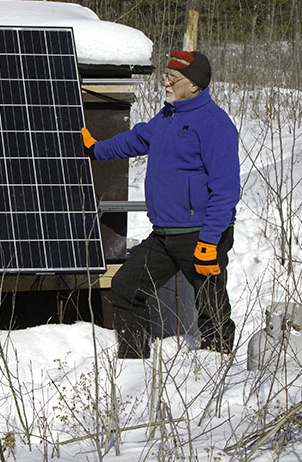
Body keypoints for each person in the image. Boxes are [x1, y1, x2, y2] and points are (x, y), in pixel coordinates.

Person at [81, 51, 239, 358]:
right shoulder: (169, 115)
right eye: (165, 76)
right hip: (164, 233)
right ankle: (134, 362)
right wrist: (97, 149)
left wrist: (209, 242)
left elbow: (226, 190)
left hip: (199, 234)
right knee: (126, 287)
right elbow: (137, 139)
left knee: (210, 304)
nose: (165, 82)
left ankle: (216, 369)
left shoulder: (215, 125)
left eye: (173, 78)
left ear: (193, 85)